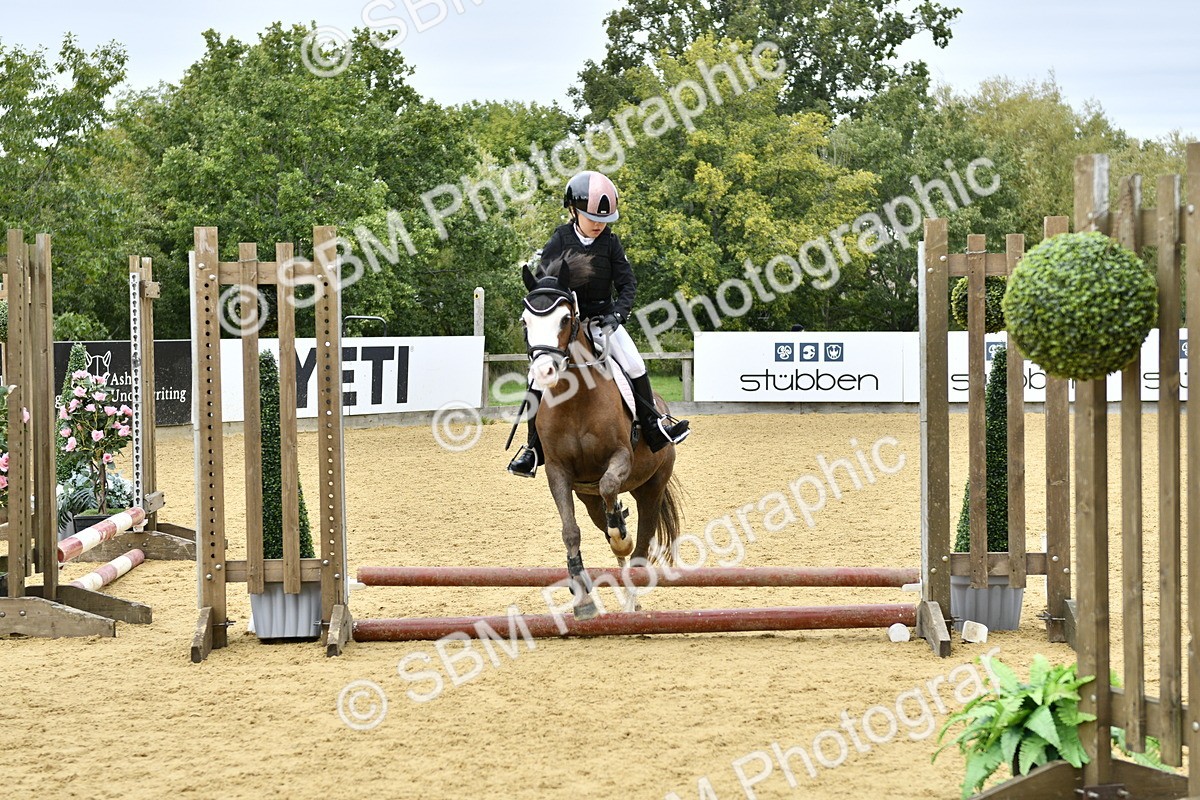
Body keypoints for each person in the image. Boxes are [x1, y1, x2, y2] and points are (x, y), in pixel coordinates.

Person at [507, 170, 690, 477]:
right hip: (566, 326)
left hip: (603, 322)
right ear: (572, 211)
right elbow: (543, 284)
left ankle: (654, 426)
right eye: (591, 217)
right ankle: (532, 448)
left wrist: (617, 315)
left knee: (634, 365)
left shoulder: (610, 243)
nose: (598, 224)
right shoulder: (559, 239)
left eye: (603, 219)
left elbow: (627, 284)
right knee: (536, 378)